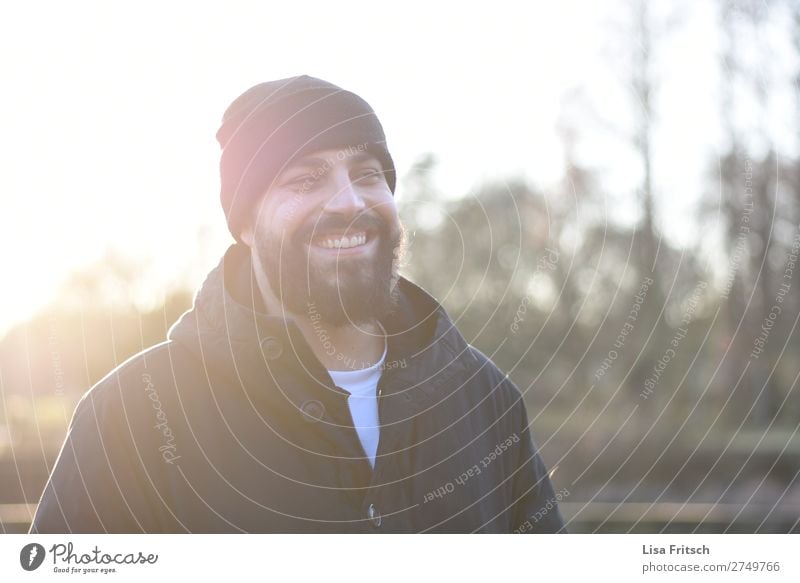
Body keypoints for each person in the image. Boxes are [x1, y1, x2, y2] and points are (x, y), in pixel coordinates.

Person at [30, 75, 566, 533]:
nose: (350, 202)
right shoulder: (131, 417)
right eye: (305, 179)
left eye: (368, 175)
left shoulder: (483, 398)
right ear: (244, 223)